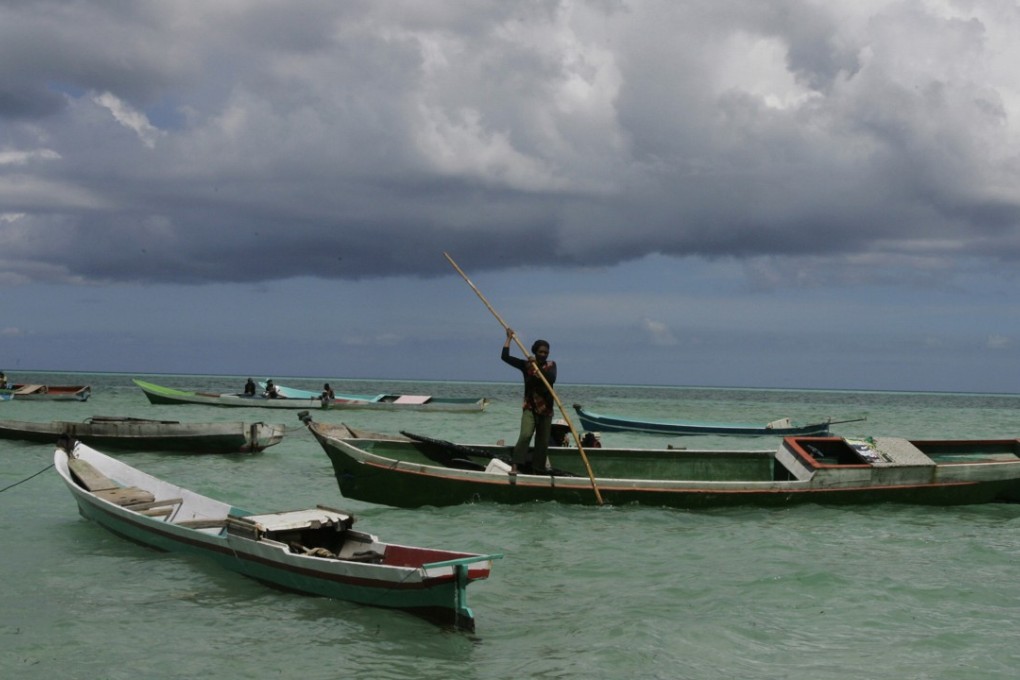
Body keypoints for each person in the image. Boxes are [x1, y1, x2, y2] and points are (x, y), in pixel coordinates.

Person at [501, 328, 557, 474]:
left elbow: (550, 379)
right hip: (529, 407)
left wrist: (537, 365)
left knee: (542, 442)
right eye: (541, 352)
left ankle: (537, 469)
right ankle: (515, 465)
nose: (543, 355)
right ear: (535, 352)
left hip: (546, 410)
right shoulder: (526, 366)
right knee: (525, 435)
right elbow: (505, 357)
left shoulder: (551, 366)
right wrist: (509, 339)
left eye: (546, 352)